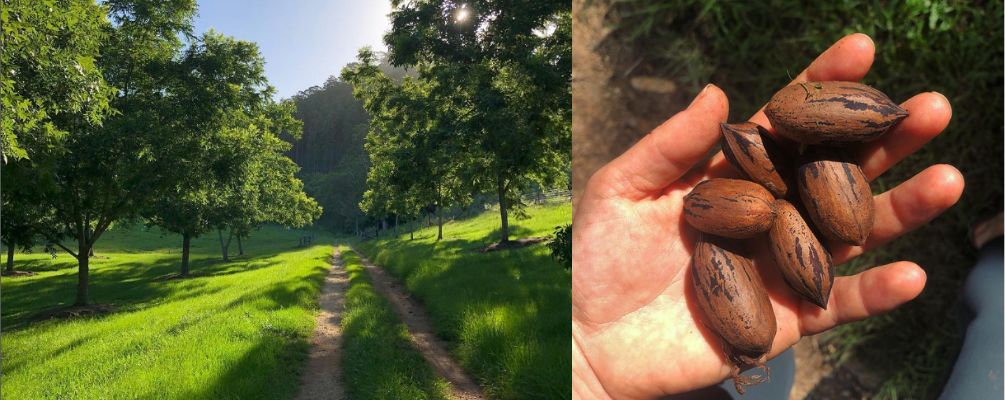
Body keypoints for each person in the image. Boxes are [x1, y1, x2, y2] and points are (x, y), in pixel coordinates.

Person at [571, 33, 963, 399]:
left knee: (771, 375)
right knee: (773, 376)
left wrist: (584, 363)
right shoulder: (759, 209)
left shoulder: (774, 202)